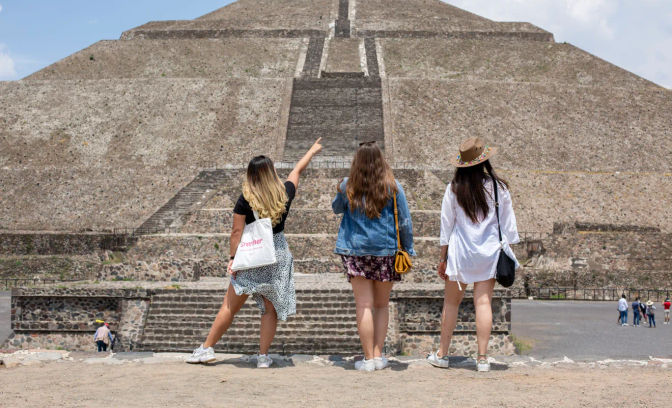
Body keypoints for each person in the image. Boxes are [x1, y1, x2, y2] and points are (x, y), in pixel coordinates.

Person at [186, 139, 322, 368]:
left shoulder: (246, 199)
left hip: (252, 255)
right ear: (271, 173)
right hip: (276, 253)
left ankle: (206, 348)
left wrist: (232, 258)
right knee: (270, 310)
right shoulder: (285, 193)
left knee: (229, 306)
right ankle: (262, 357)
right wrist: (311, 150)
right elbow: (297, 170)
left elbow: (236, 232)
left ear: (251, 175)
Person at [428, 137, 519, 373]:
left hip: (461, 253)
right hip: (488, 253)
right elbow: (509, 229)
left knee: (451, 303)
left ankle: (443, 354)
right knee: (483, 302)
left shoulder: (454, 188)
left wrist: (442, 258)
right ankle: (482, 358)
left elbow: (446, 227)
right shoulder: (499, 188)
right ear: (484, 161)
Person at [332, 141, 415, 372]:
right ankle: (378, 356)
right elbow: (405, 222)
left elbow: (336, 208)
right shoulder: (393, 186)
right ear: (381, 160)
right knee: (381, 305)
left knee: (364, 306)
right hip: (386, 252)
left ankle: (367, 359)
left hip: (357, 252)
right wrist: (408, 249)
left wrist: (341, 187)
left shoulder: (348, 186)